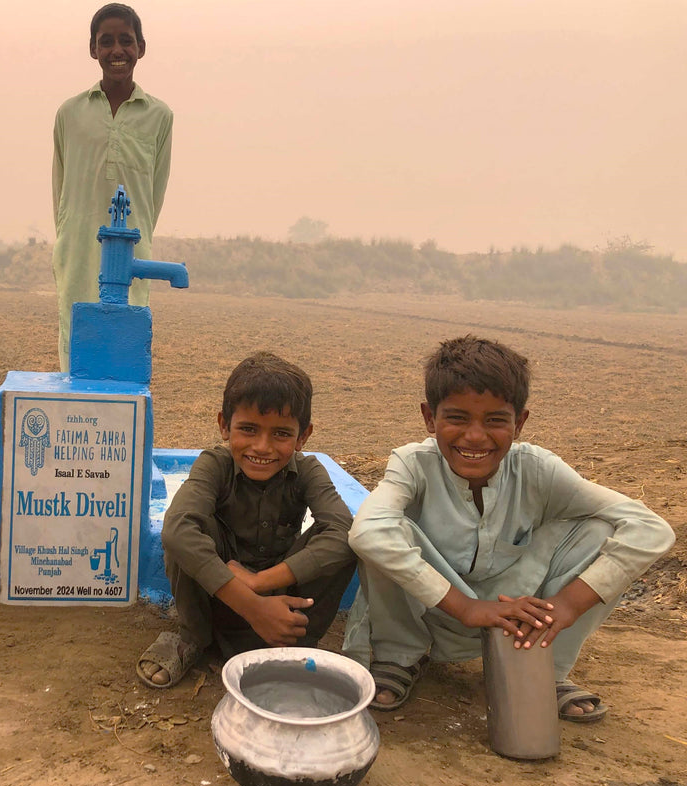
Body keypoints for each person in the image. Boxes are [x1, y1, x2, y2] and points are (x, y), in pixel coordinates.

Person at [342, 336, 675, 721]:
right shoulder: (413, 465)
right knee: (386, 532)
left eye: (496, 420)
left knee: (601, 531)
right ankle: (400, 655)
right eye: (457, 418)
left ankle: (543, 668)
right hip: (430, 610)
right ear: (429, 418)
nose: (475, 436)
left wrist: (568, 605)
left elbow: (651, 528)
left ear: (520, 423)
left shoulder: (538, 470)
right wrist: (466, 607)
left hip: (519, 616)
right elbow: (367, 533)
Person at [137, 352, 356, 688]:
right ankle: (193, 636)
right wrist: (252, 606)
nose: (262, 446)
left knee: (345, 541)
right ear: (225, 425)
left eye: (281, 434)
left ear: (303, 436)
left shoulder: (309, 471)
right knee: (187, 531)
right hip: (217, 600)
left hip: (281, 603)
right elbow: (178, 529)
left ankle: (293, 644)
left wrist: (259, 582)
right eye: (248, 429)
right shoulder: (215, 465)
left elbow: (343, 530)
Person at [52, 3, 173, 370]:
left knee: (126, 346)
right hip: (77, 250)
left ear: (141, 47)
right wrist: (67, 239)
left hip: (132, 254)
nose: (117, 50)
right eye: (107, 42)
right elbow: (60, 189)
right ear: (93, 49)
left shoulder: (159, 116)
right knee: (76, 351)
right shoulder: (69, 113)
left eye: (126, 40)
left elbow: (155, 193)